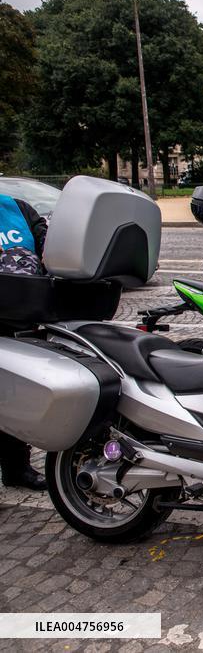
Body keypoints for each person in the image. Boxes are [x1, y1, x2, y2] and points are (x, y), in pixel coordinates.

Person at [0, 193, 49, 491]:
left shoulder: (17, 208)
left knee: (12, 398)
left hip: (20, 320)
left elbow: (49, 248)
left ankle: (16, 469)